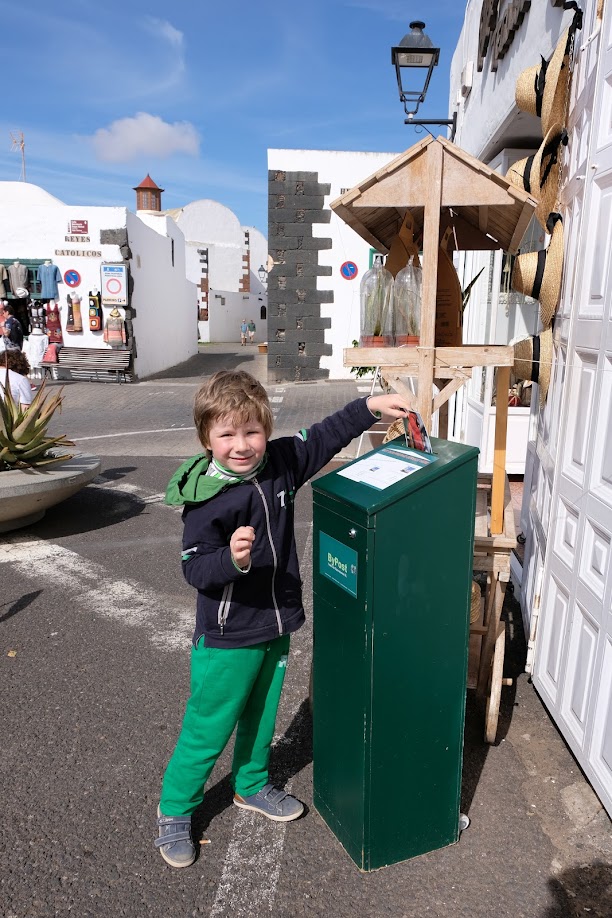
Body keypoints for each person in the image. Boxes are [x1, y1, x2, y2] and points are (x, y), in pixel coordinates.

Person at [156, 369, 410, 868]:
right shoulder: (206, 501)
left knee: (262, 715)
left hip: (275, 626)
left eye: (252, 431)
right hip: (229, 636)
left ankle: (250, 785)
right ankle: (175, 810)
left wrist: (369, 408)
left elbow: (322, 436)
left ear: (266, 430)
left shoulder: (280, 464)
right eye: (227, 434)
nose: (242, 444)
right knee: (209, 725)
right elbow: (194, 569)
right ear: (206, 436)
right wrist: (231, 559)